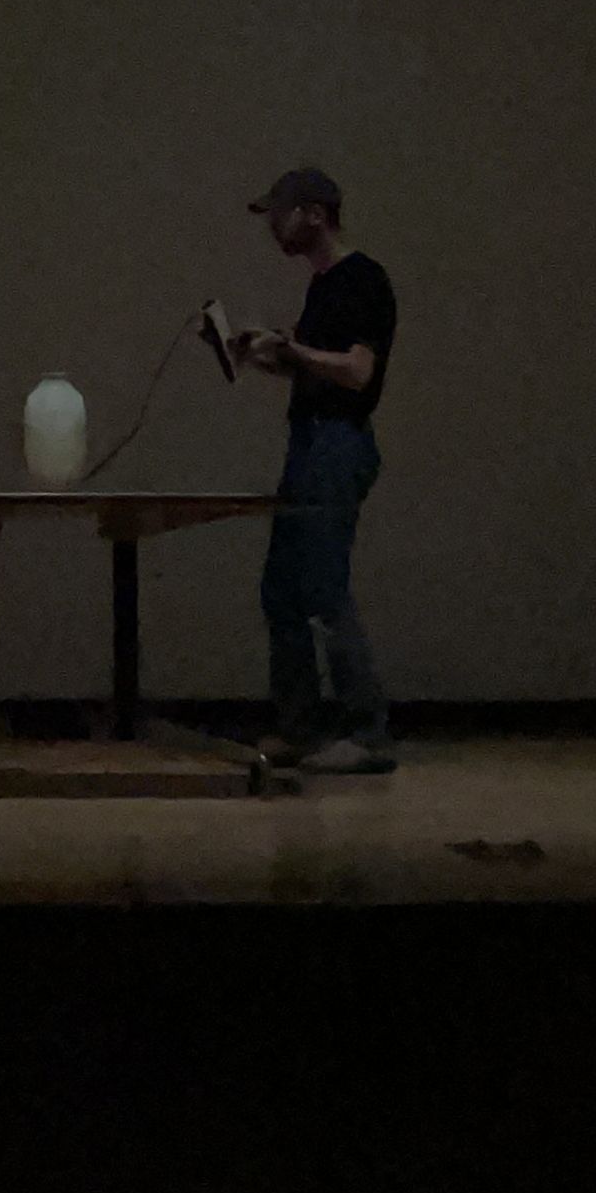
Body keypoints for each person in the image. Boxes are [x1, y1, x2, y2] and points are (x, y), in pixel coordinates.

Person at [229, 166, 397, 772]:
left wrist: (292, 349)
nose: (274, 224)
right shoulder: (322, 286)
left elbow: (356, 372)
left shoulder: (362, 281)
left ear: (314, 215)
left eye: (281, 212)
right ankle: (299, 728)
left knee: (324, 588)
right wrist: (263, 355)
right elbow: (314, 369)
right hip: (309, 442)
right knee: (283, 589)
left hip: (336, 445)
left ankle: (366, 732)